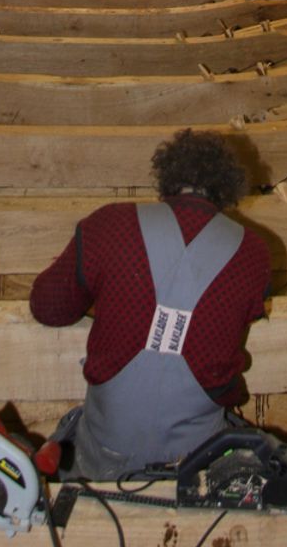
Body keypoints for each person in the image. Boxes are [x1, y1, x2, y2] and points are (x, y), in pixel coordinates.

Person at [29, 128, 270, 480]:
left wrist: (103, 298)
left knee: (72, 436)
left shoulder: (108, 224)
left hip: (104, 455)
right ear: (227, 191)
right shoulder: (253, 252)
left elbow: (47, 307)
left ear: (166, 181)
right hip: (201, 461)